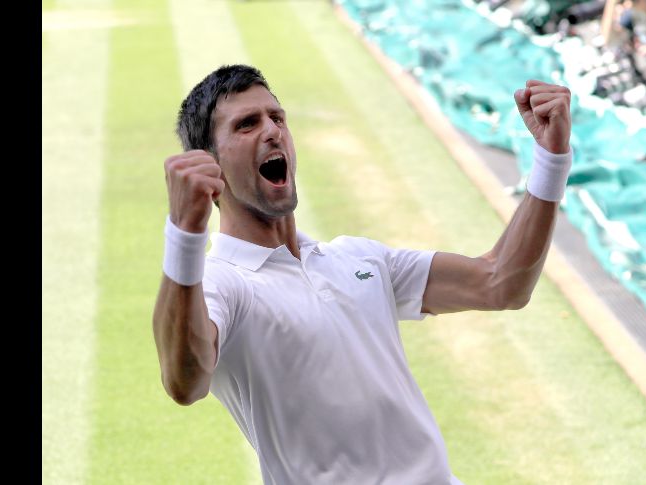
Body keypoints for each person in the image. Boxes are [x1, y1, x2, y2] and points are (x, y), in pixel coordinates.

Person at [152, 64, 572, 484]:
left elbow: (500, 282)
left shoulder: (358, 258)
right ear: (210, 166)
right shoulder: (221, 284)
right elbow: (184, 381)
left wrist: (551, 159)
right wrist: (183, 235)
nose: (272, 131)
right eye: (247, 125)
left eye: (277, 117)